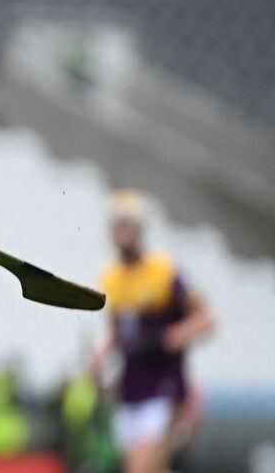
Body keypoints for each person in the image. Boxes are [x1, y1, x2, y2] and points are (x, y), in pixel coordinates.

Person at [91, 189, 214, 473]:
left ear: (140, 230)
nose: (122, 233)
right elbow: (118, 331)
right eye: (117, 226)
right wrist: (100, 358)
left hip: (164, 387)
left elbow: (206, 318)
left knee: (140, 467)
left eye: (128, 225)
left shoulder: (164, 271)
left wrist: (175, 337)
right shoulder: (110, 276)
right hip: (131, 389)